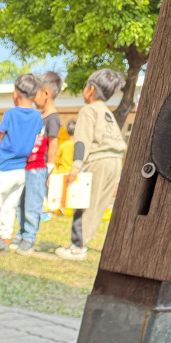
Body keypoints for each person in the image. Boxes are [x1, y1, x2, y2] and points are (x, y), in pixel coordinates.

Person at [56, 69, 127, 261]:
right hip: (115, 161)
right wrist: (118, 177)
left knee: (83, 203)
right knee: (98, 206)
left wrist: (75, 166)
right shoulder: (108, 113)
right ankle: (82, 244)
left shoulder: (88, 110)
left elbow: (82, 141)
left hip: (98, 162)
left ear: (91, 89)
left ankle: (77, 247)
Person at [0, 73, 42, 252]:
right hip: (21, 169)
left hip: (3, 167)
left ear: (15, 93)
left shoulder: (10, 114)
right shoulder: (37, 117)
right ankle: (6, 237)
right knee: (10, 204)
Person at [12, 70, 61, 254]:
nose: (33, 97)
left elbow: (53, 144)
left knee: (33, 204)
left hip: (39, 169)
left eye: (37, 93)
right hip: (26, 166)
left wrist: (49, 168)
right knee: (21, 202)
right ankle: (21, 232)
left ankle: (29, 237)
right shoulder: (37, 116)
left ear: (46, 93)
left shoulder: (53, 118)